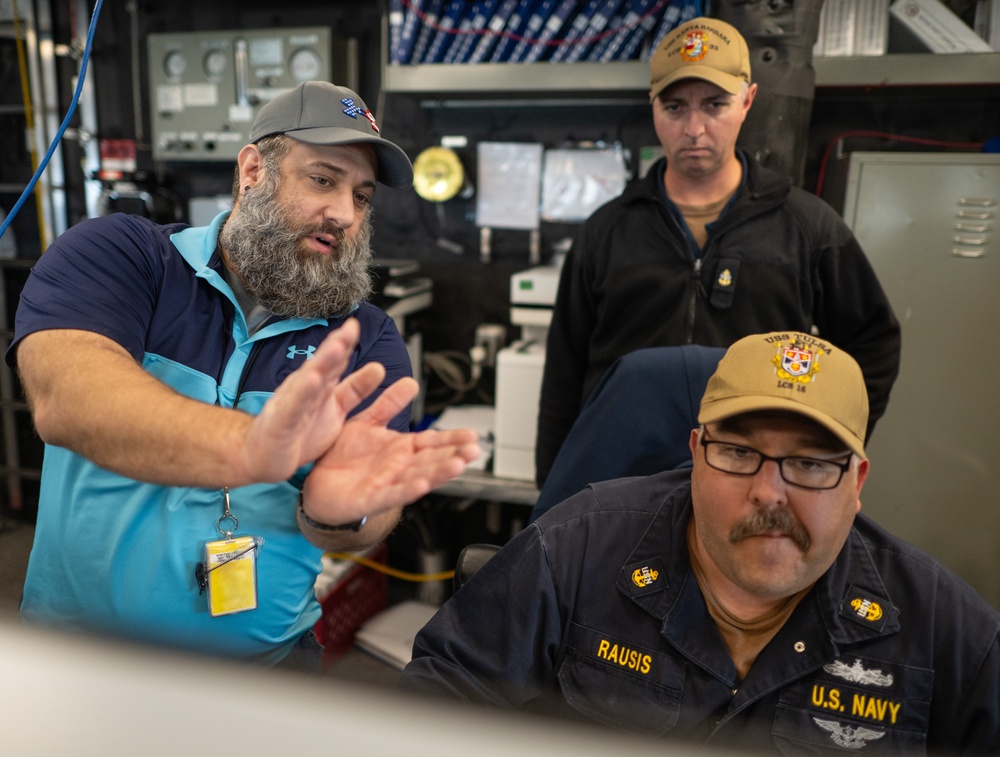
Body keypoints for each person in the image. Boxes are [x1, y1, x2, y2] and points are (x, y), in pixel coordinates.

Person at [7, 81, 480, 667]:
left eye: (361, 196)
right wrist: (250, 448)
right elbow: (68, 397)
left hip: (272, 669)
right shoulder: (122, 256)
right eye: (323, 179)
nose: (344, 213)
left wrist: (340, 514)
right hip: (82, 667)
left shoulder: (366, 336)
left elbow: (367, 516)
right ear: (254, 169)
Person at [403, 331, 1000, 753]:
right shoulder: (573, 548)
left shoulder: (951, 639)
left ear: (857, 481)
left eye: (812, 464)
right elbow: (425, 714)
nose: (770, 493)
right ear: (695, 454)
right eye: (740, 452)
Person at [535, 16, 901, 489]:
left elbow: (873, 344)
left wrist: (821, 446)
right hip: (623, 483)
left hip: (752, 484)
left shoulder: (807, 227)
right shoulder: (607, 230)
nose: (694, 128)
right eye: (674, 107)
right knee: (635, 570)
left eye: (714, 105)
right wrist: (554, 488)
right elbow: (563, 376)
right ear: (653, 108)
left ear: (747, 101)